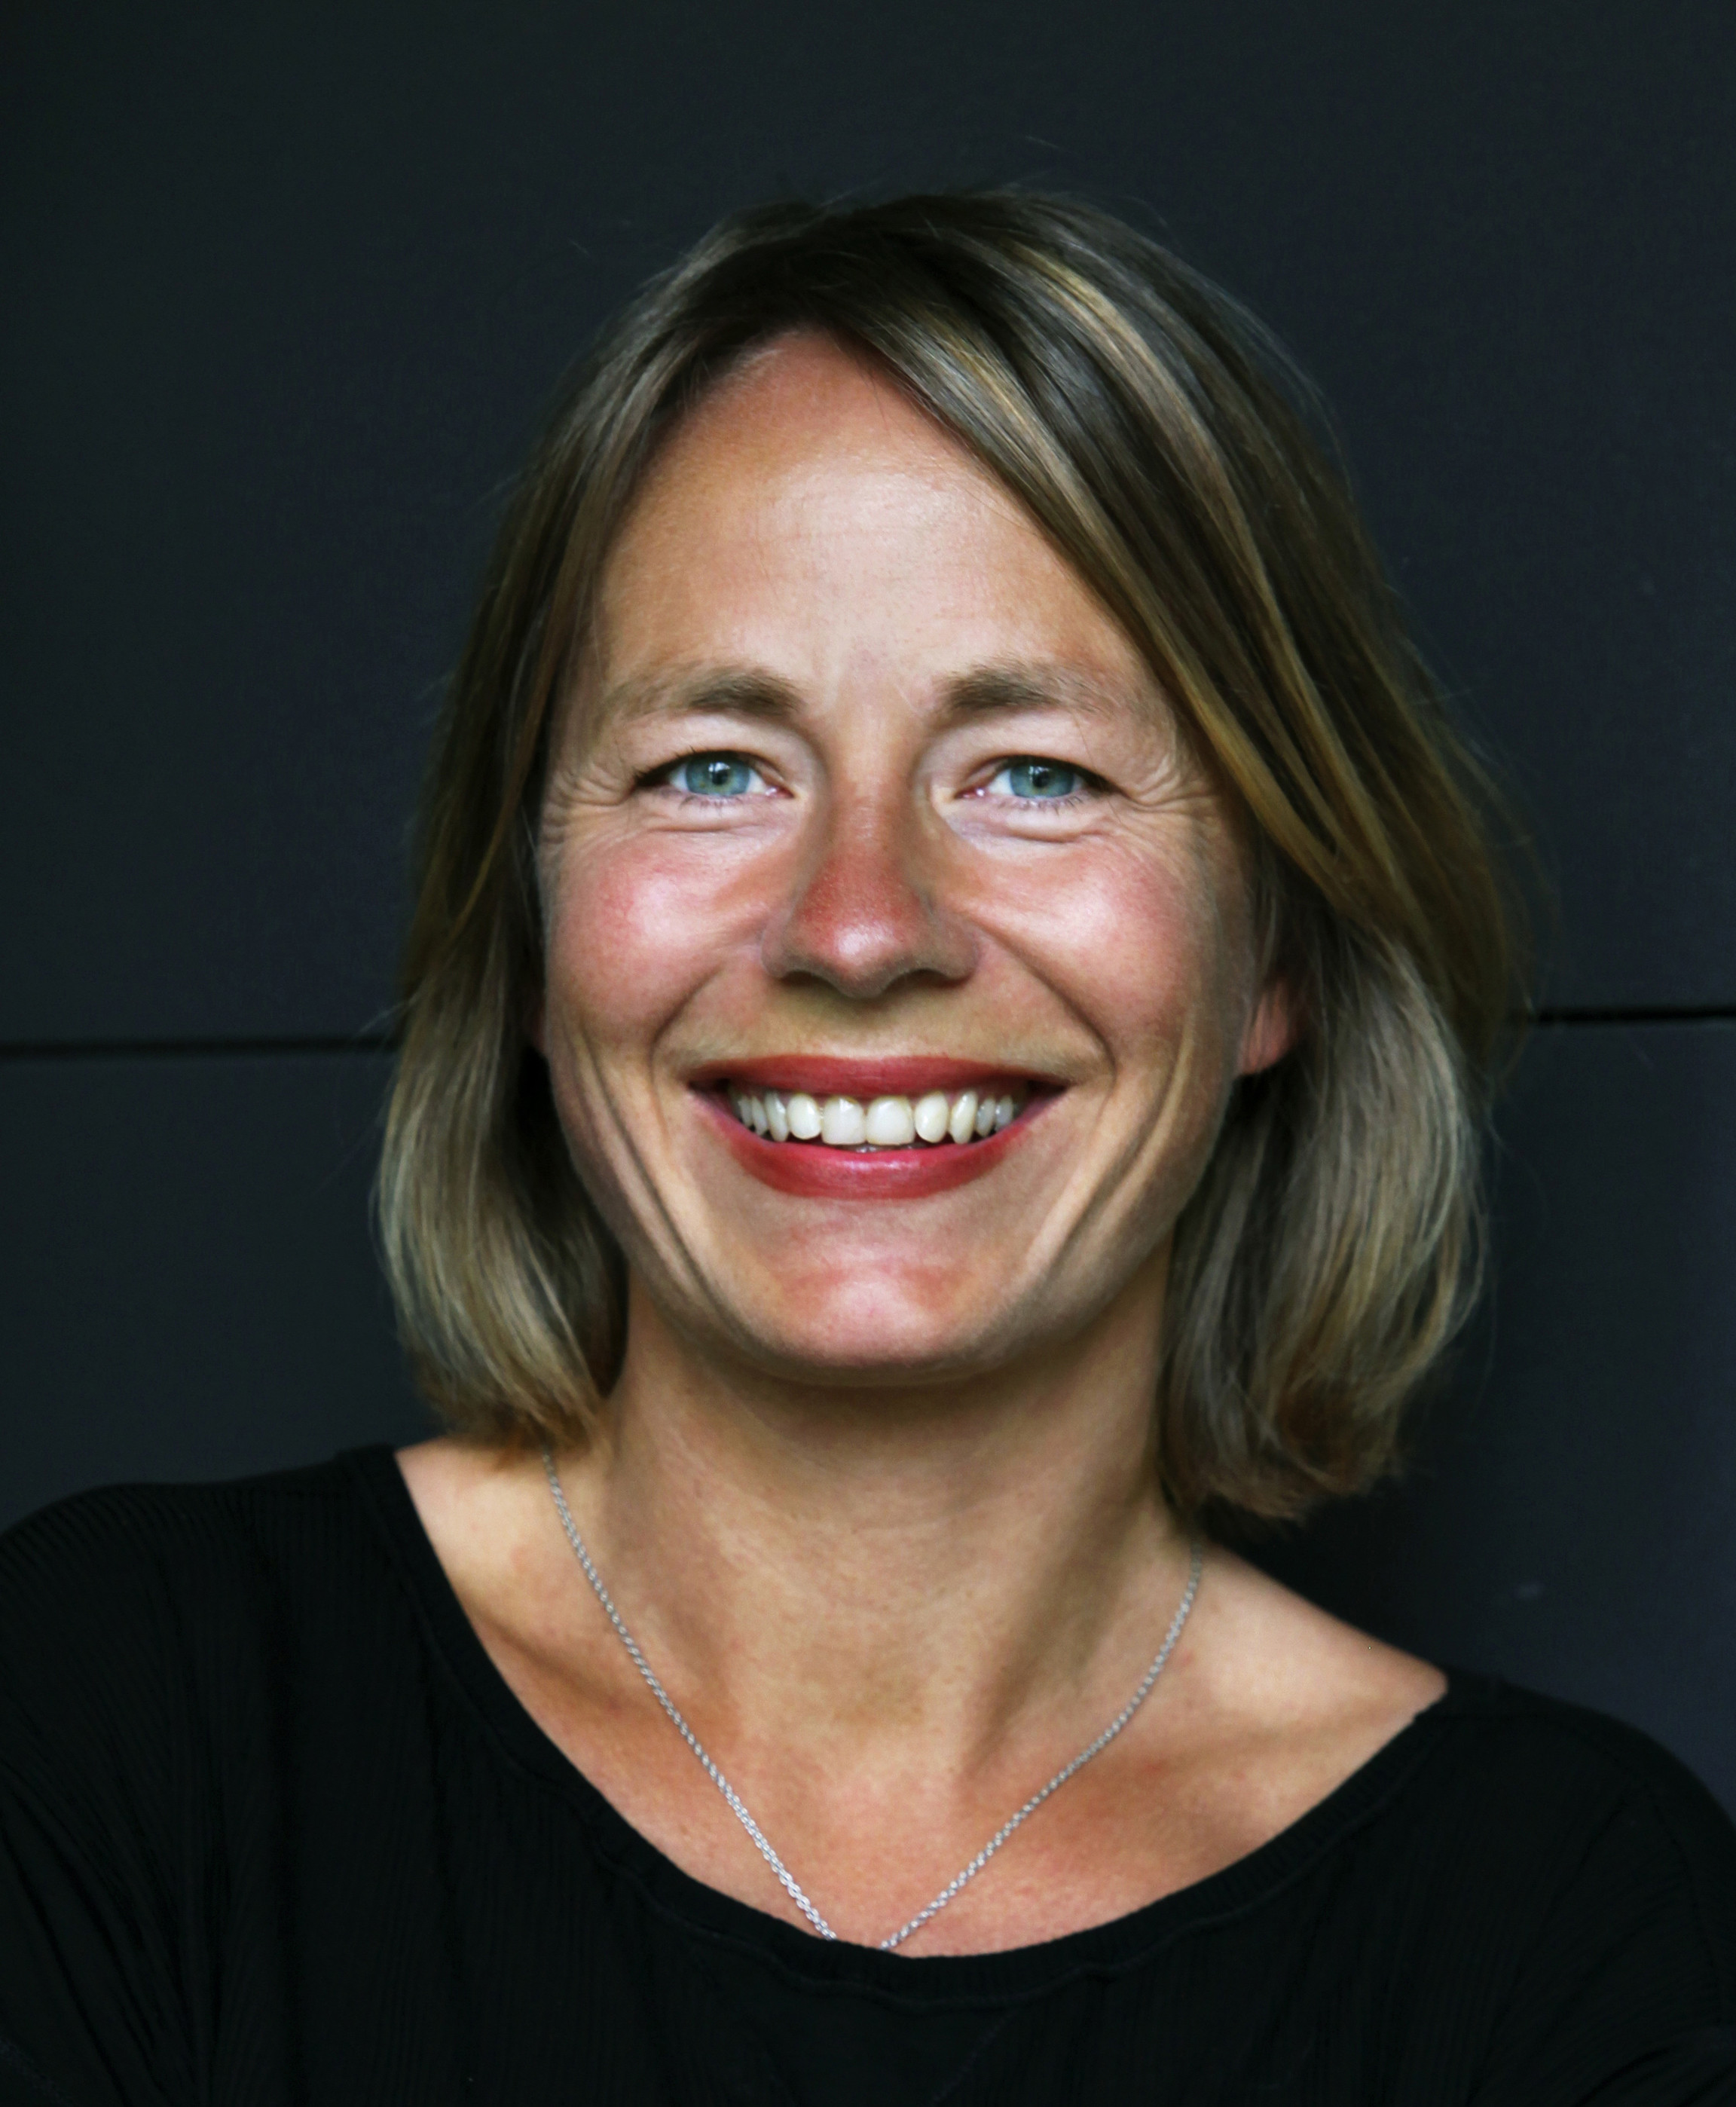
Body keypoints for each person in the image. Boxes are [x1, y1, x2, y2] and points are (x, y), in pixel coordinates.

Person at [2, 192, 1732, 2106]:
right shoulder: (108, 1722)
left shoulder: (1563, 1939)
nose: (857, 927)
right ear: (528, 935)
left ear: (1278, 954)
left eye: (1038, 774)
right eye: (713, 768)